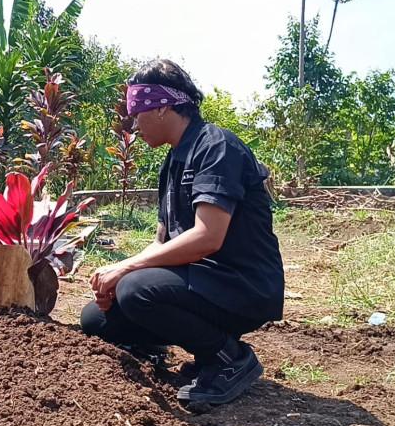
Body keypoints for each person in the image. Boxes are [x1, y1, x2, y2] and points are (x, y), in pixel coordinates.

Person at [80, 59, 285, 405]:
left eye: (137, 113)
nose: (134, 124)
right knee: (98, 318)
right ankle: (156, 350)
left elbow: (208, 237)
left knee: (135, 289)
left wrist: (127, 270)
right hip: (202, 281)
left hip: (242, 285)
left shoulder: (216, 148)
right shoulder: (174, 161)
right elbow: (161, 241)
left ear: (162, 107)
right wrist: (117, 271)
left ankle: (228, 358)